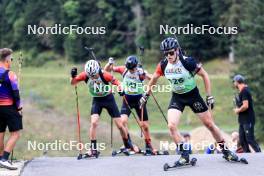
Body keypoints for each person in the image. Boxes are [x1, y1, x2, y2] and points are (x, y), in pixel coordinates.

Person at [140, 37, 239, 165]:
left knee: (210, 125)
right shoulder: (163, 65)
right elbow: (153, 79)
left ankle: (226, 152)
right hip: (177, 97)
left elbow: (205, 75)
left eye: (171, 52)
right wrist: (145, 95)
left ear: (177, 50)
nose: (168, 56)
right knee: (171, 126)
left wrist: (209, 95)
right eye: (166, 53)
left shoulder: (188, 62)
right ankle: (184, 154)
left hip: (193, 96)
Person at [70, 60, 136, 156]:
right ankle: (93, 149)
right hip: (97, 100)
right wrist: (72, 76)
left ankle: (127, 145)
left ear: (98, 70)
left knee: (120, 126)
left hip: (109, 99)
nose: (93, 77)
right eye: (90, 76)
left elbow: (118, 83)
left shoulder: (105, 75)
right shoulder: (85, 75)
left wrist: (121, 89)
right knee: (93, 122)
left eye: (94, 75)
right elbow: (73, 83)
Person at [104, 56, 157, 154]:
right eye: (129, 69)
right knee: (123, 122)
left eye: (133, 68)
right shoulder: (123, 70)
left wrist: (147, 84)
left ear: (136, 66)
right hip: (127, 99)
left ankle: (149, 146)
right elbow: (106, 70)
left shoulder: (140, 72)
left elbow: (153, 78)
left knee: (144, 125)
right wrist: (109, 63)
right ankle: (129, 144)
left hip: (139, 100)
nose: (131, 70)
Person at [0, 48, 23, 170]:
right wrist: (19, 107)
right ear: (7, 60)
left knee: (0, 133)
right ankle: (4, 159)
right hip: (9, 108)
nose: (12, 61)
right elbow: (16, 94)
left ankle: (0, 158)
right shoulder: (11, 74)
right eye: (12, 59)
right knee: (16, 133)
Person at [233, 74, 261, 153]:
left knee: (250, 139)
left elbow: (245, 106)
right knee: (242, 140)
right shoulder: (242, 91)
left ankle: (260, 154)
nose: (234, 84)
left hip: (248, 119)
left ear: (237, 82)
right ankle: (247, 155)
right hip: (242, 120)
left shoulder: (244, 91)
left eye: (234, 82)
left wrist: (237, 110)